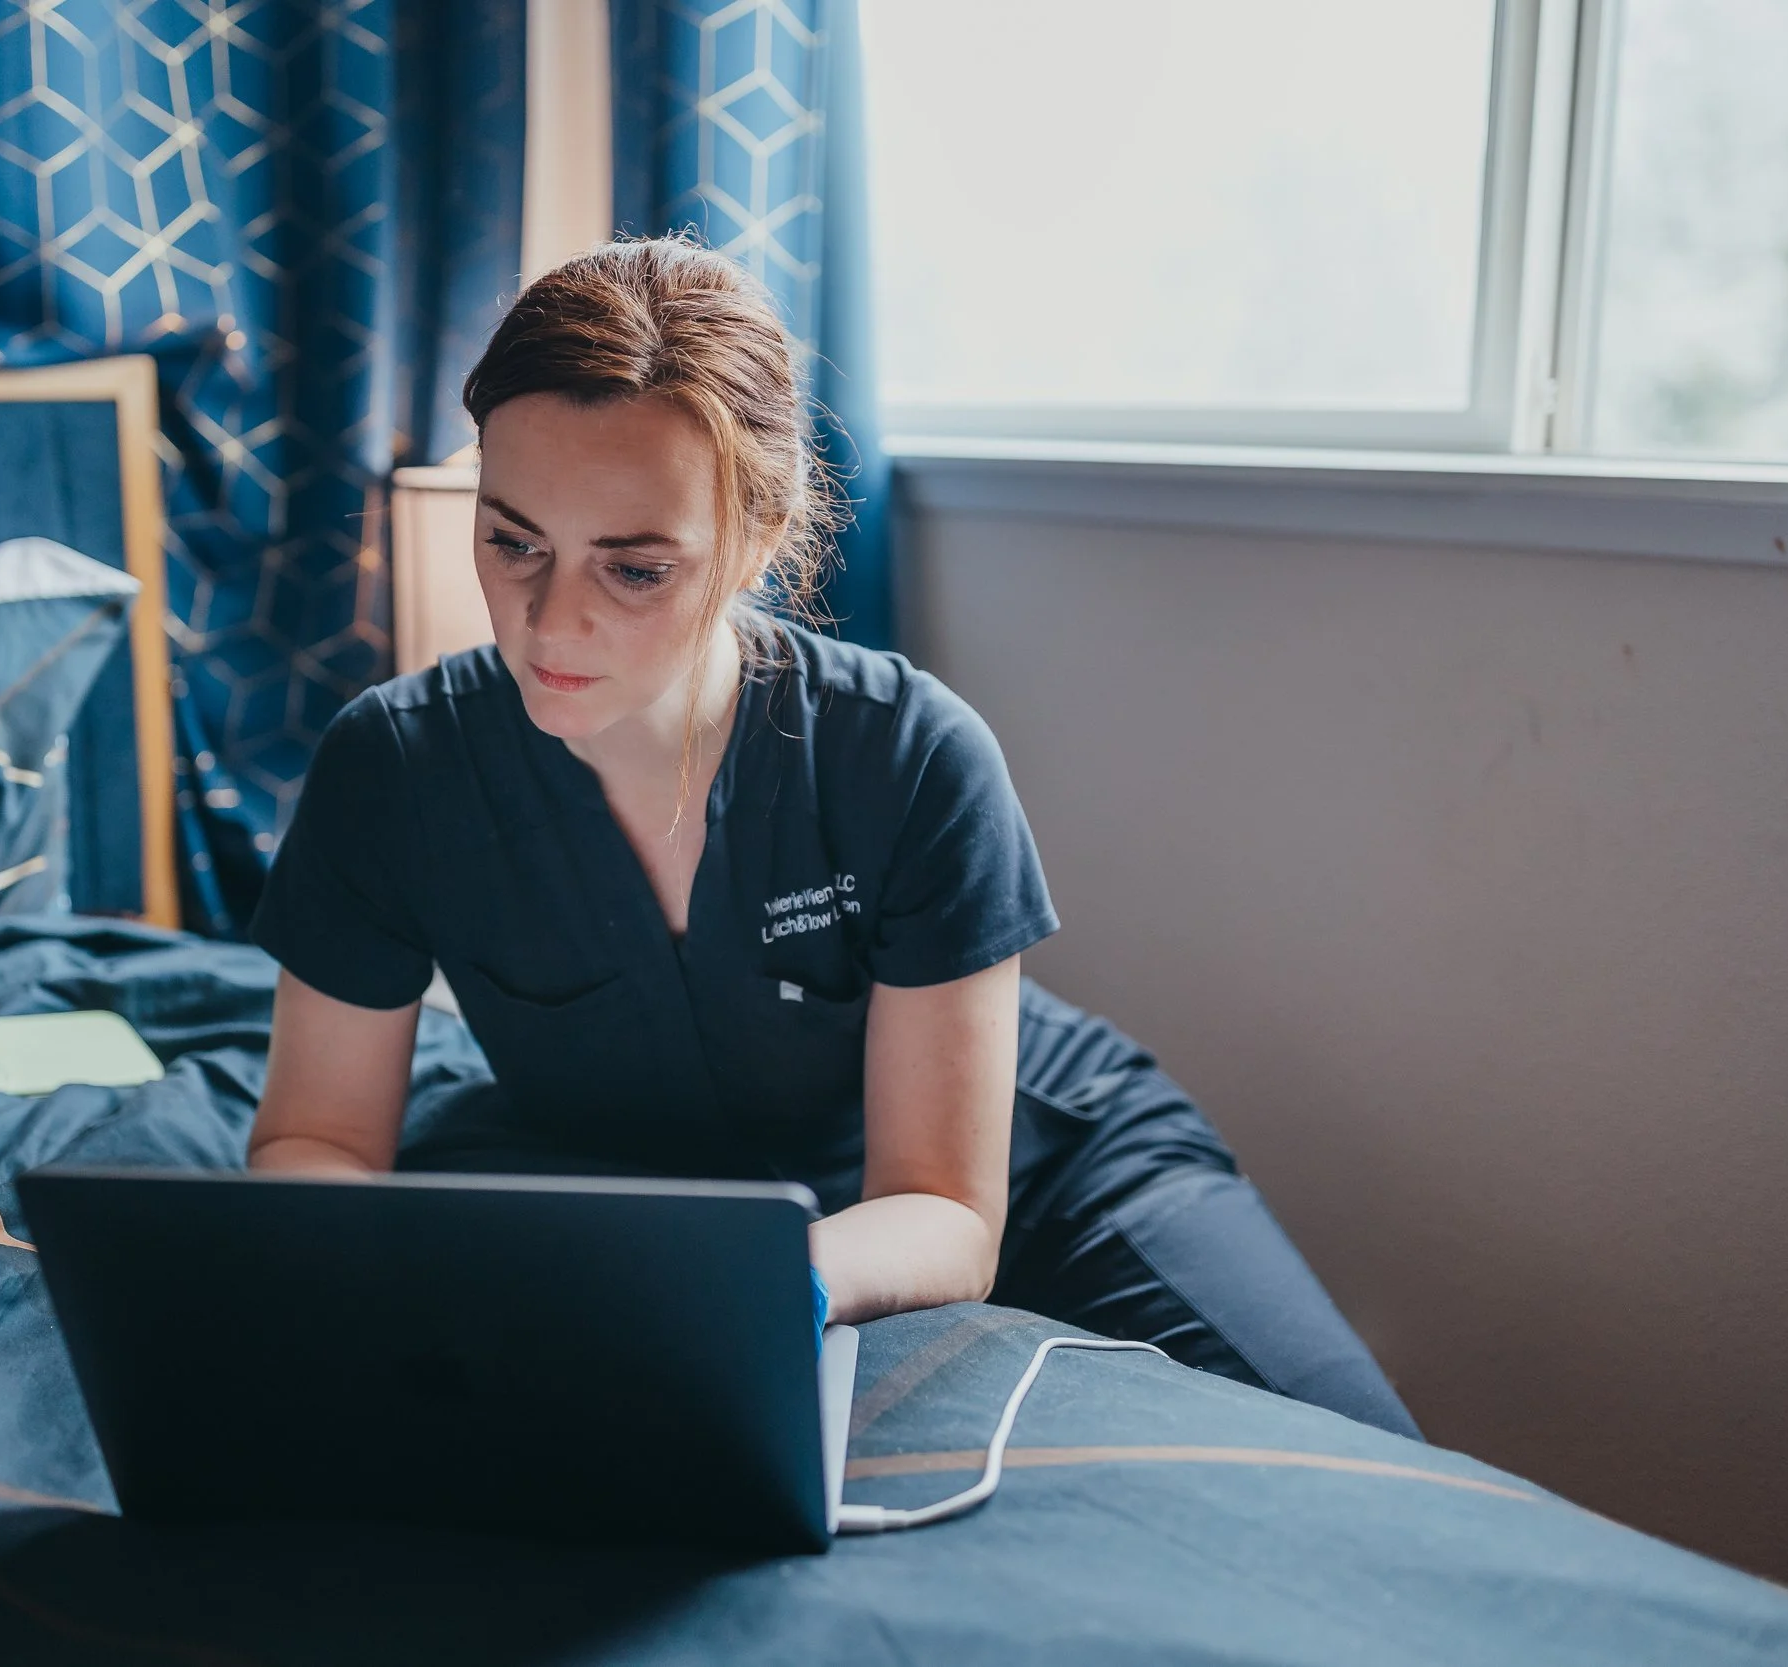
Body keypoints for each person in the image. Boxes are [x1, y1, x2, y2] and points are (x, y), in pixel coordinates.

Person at [246, 236, 1418, 1439]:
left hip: (1036, 1169)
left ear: (761, 537)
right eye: (512, 541)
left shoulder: (908, 754)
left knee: (1372, 1466)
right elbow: (316, 1135)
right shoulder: (393, 769)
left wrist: (749, 1288)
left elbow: (944, 1208)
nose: (552, 617)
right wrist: (373, 1268)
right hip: (669, 1195)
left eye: (636, 568)